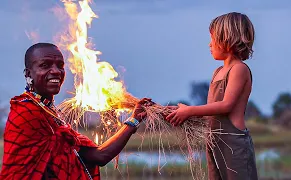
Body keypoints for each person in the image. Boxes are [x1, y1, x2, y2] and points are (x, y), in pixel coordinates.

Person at [0, 43, 152, 180]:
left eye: (60, 65)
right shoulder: (27, 112)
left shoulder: (52, 114)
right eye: (45, 65)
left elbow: (99, 156)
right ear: (28, 74)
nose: (56, 71)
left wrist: (134, 119)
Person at [166, 12, 258, 180]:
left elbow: (226, 105)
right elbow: (210, 111)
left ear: (227, 39)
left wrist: (190, 110)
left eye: (213, 39)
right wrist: (183, 112)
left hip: (233, 143)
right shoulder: (217, 72)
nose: (209, 45)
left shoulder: (239, 69)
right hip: (214, 141)